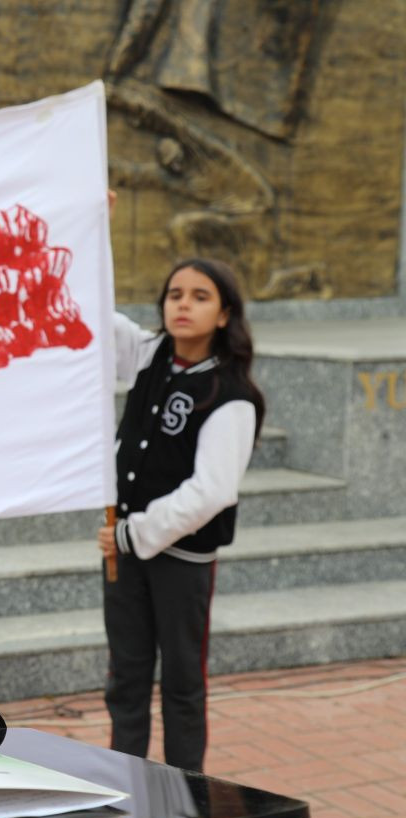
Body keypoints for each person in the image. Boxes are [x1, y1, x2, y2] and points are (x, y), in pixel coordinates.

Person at [97, 257, 265, 773]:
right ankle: (126, 792)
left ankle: (187, 804)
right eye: (174, 295)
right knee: (126, 680)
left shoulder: (231, 396)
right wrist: (92, 219)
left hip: (180, 560)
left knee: (182, 685)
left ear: (223, 314)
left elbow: (211, 490)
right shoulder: (150, 355)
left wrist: (134, 532)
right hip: (124, 558)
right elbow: (98, 314)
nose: (183, 305)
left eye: (199, 296)